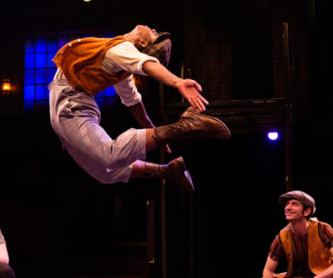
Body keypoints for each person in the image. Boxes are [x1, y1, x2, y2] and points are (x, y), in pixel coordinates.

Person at [49, 24, 231, 192]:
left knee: (109, 156)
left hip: (70, 104)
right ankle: (167, 170)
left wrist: (178, 83)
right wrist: (157, 134)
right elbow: (133, 102)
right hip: (77, 102)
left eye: (154, 34)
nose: (154, 29)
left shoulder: (123, 49)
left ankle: (186, 125)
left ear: (143, 42)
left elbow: (147, 64)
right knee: (105, 171)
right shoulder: (121, 66)